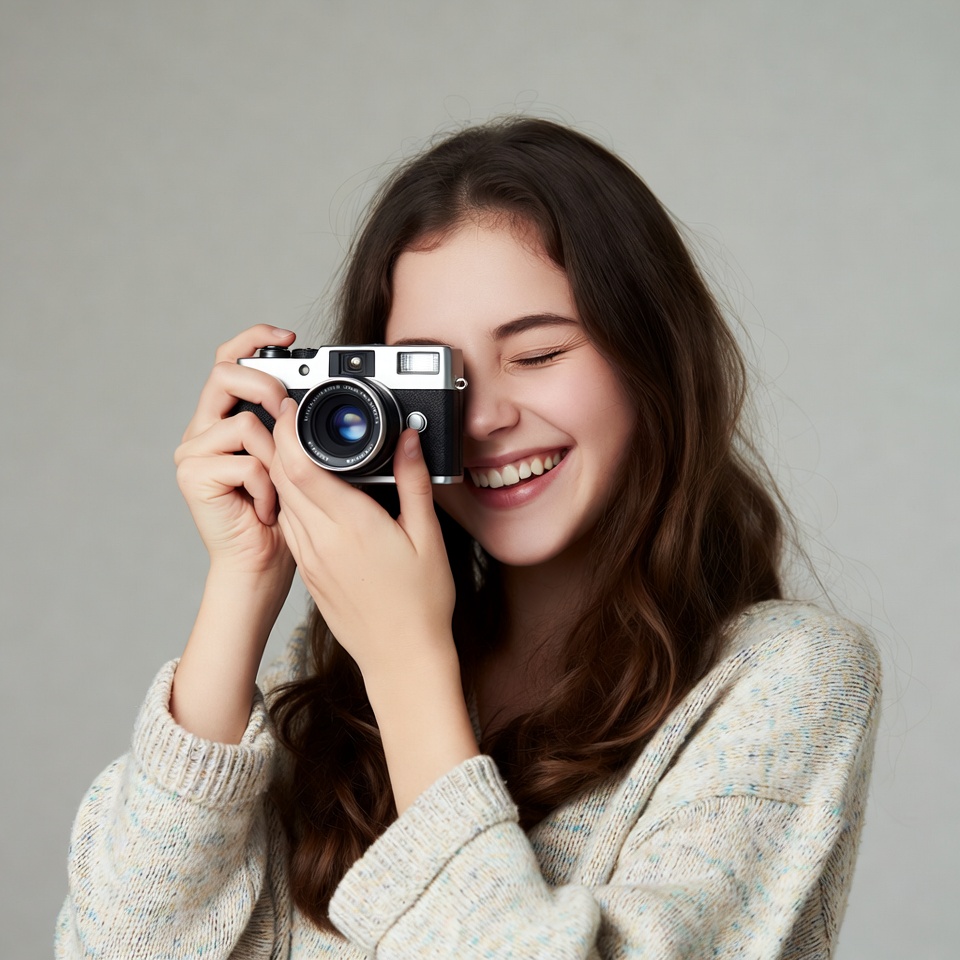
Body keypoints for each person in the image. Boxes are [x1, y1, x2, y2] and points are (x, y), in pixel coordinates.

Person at [56, 118, 881, 959]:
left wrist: (409, 667)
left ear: (652, 355)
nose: (485, 417)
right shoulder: (326, 693)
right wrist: (243, 581)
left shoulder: (783, 680)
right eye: (434, 378)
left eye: (538, 354)